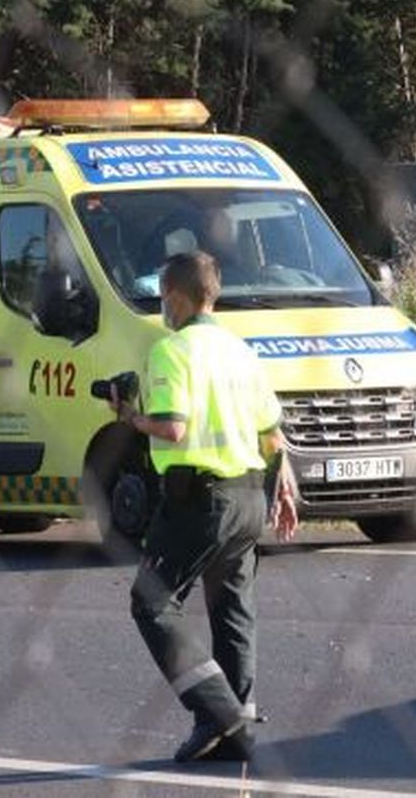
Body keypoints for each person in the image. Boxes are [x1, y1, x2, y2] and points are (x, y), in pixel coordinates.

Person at [108, 250, 299, 764]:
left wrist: (131, 418)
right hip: (247, 498)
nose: (162, 307)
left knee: (151, 603)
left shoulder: (173, 351)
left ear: (175, 295)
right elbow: (272, 434)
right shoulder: (242, 352)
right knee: (231, 609)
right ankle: (236, 727)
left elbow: (173, 427)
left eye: (162, 298)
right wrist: (284, 487)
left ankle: (218, 711)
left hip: (200, 500)